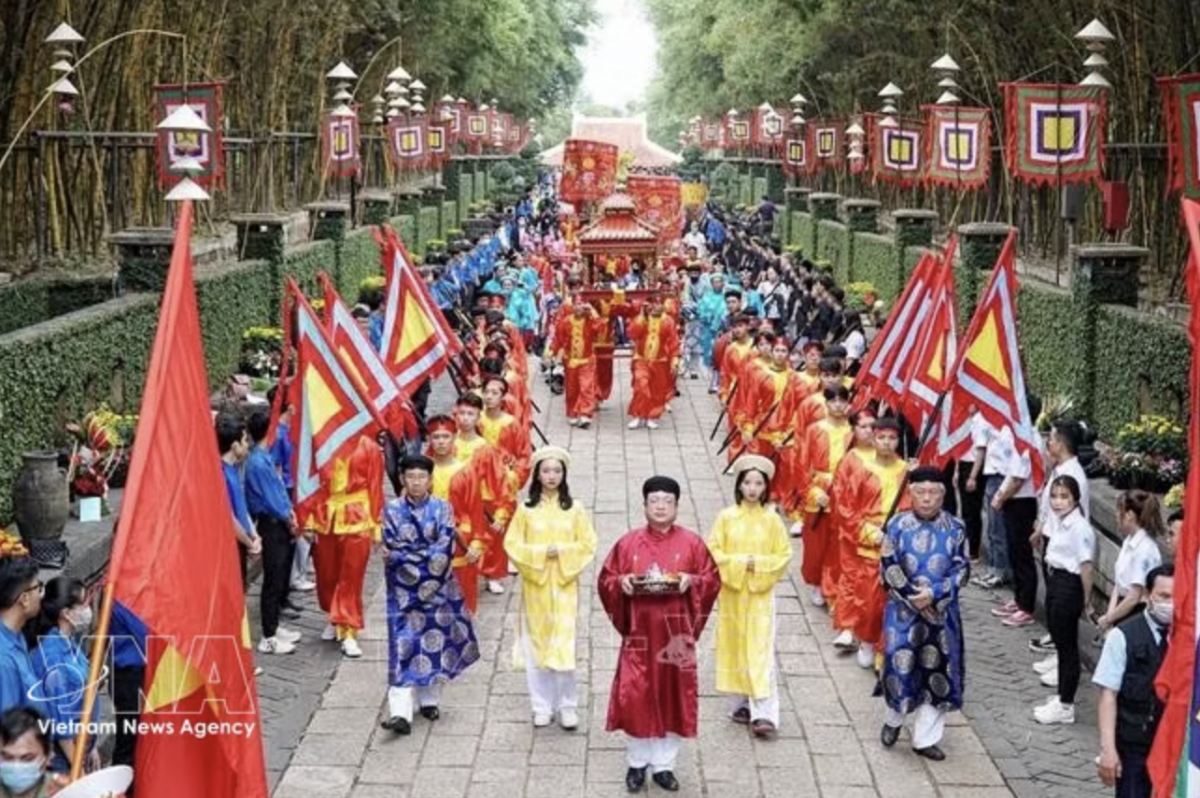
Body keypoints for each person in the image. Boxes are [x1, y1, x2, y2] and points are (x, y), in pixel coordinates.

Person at [598, 476, 721, 793]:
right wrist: (622, 582)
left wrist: (691, 581)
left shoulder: (692, 543)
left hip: (676, 634)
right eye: (655, 500)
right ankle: (637, 762)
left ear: (677, 506)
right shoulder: (628, 543)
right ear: (644, 506)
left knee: (673, 694)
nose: (661, 506)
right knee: (636, 694)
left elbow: (712, 579)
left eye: (668, 500)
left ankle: (665, 765)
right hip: (639, 633)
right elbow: (606, 579)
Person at [380, 455, 481, 736]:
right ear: (402, 479)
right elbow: (391, 545)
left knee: (435, 642)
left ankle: (429, 700)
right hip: (402, 594)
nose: (415, 482)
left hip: (438, 589)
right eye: (410, 477)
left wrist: (405, 556)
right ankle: (400, 713)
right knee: (402, 647)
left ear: (430, 480)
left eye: (421, 477)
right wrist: (408, 557)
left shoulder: (442, 509)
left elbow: (443, 549)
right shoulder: (391, 510)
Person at [878, 466, 968, 762]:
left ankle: (925, 738)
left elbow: (962, 569)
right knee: (898, 664)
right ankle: (893, 720)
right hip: (903, 612)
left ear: (943, 495)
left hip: (942, 614)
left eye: (933, 493)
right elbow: (888, 564)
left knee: (938, 671)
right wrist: (910, 596)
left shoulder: (956, 528)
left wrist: (935, 594)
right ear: (910, 493)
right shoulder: (896, 525)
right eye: (921, 492)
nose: (927, 499)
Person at [504, 447, 597, 729]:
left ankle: (567, 705)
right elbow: (512, 544)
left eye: (557, 471)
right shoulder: (526, 510)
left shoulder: (575, 509)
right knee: (537, 646)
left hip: (566, 585)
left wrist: (563, 552)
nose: (552, 476)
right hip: (536, 585)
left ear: (564, 474)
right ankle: (541, 705)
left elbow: (588, 543)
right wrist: (543, 553)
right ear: (537, 474)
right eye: (546, 471)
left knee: (564, 645)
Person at [706, 456, 791, 738]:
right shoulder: (726, 517)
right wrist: (741, 563)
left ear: (766, 487)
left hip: (760, 594)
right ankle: (741, 702)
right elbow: (713, 552)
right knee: (734, 643)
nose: (752, 488)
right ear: (739, 486)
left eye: (758, 483)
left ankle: (764, 712)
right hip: (732, 593)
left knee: (759, 648)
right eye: (747, 482)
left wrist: (758, 565)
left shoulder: (772, 520)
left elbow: (783, 556)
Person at [1092, 564, 1174, 798]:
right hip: (1135, 744)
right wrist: (1108, 749)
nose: (1171, 604)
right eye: (1164, 596)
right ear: (1148, 595)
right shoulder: (1123, 636)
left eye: (1178, 597)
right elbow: (1108, 694)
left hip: (1173, 745)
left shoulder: (1186, 639)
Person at [833, 417, 909, 668]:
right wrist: (867, 531)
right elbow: (847, 506)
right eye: (882, 438)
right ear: (874, 439)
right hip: (868, 541)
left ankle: (883, 648)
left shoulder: (906, 472)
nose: (887, 443)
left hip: (896, 544)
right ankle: (865, 639)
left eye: (892, 438)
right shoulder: (863, 469)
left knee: (892, 600)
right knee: (868, 599)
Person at [312, 434, 384, 658]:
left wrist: (376, 524)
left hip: (357, 517)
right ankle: (333, 616)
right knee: (326, 573)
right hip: (326, 516)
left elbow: (375, 486)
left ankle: (349, 629)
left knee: (351, 577)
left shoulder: (369, 446)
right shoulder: (322, 441)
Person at [1032, 475, 1094, 725]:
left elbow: (1086, 567)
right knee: (1059, 640)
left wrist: (1086, 601)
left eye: (1064, 496)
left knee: (1068, 648)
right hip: (1056, 579)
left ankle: (1066, 704)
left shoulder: (1080, 528)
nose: (1058, 502)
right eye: (1055, 496)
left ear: (1076, 498)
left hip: (1069, 584)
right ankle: (1060, 697)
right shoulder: (1061, 522)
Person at [244, 409, 303, 655]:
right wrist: (289, 517)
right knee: (273, 579)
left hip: (278, 520)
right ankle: (268, 635)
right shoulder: (258, 462)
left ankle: (275, 626)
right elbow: (272, 498)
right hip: (271, 523)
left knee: (279, 577)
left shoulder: (262, 457)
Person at [29, 578, 98, 774]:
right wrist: (80, 772)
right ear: (66, 613)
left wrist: (91, 747)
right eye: (84, 603)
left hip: (78, 749)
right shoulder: (53, 657)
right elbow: (62, 727)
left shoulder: (69, 643)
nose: (88, 608)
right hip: (63, 760)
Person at [427, 416, 491, 614]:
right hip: (428, 540)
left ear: (454, 438)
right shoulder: (422, 471)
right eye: (436, 437)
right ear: (429, 440)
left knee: (462, 597)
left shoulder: (466, 471)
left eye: (445, 436)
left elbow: (475, 509)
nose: (441, 441)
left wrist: (477, 542)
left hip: (460, 540)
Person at [798, 386, 854, 606]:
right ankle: (816, 583)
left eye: (842, 401)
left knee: (837, 544)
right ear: (826, 403)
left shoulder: (854, 433)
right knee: (816, 543)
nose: (838, 405)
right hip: (820, 488)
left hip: (845, 493)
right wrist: (812, 491)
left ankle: (832, 586)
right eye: (833, 401)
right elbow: (801, 464)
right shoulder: (814, 430)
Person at [987, 424, 1040, 628]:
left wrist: (1001, 497)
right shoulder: (1021, 435)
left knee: (1022, 554)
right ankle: (1019, 599)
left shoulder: (1028, 438)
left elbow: (1018, 477)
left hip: (1022, 501)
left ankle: (1026, 606)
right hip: (1014, 499)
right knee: (1015, 553)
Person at [1096, 491, 1165, 634]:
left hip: (1136, 611)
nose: (1116, 516)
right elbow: (1119, 584)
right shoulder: (1129, 541)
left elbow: (1134, 596)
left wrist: (1109, 618)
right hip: (1122, 607)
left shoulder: (1144, 549)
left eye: (1119, 511)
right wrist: (1111, 615)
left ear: (1130, 515)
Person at [216, 413, 261, 588]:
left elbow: (241, 506)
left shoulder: (233, 469)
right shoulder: (221, 473)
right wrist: (250, 544)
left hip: (243, 542)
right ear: (234, 446)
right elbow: (229, 518)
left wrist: (253, 534)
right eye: (244, 441)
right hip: (232, 546)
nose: (247, 444)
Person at [626, 294, 681, 430]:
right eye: (653, 304)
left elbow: (674, 342)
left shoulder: (668, 321)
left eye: (658, 304)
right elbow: (632, 334)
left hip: (660, 361)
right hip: (642, 360)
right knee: (641, 385)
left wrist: (674, 359)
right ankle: (638, 415)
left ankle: (650, 416)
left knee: (656, 390)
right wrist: (641, 318)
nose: (656, 307)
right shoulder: (643, 319)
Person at [549, 299, 605, 428]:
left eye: (581, 304)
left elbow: (601, 328)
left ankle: (585, 414)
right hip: (570, 361)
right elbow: (559, 339)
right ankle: (573, 413)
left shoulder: (590, 321)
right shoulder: (566, 322)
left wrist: (592, 312)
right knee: (572, 388)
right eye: (576, 305)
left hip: (587, 360)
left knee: (586, 387)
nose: (578, 307)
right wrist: (553, 352)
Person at [0, 544, 40, 716]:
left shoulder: (17, 636)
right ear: (24, 599)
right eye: (38, 588)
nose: (41, 594)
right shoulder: (4, 662)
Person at [0, 707, 70, 797]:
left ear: (48, 756)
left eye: (27, 758)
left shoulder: (65, 791)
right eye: (7, 757)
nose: (16, 765)